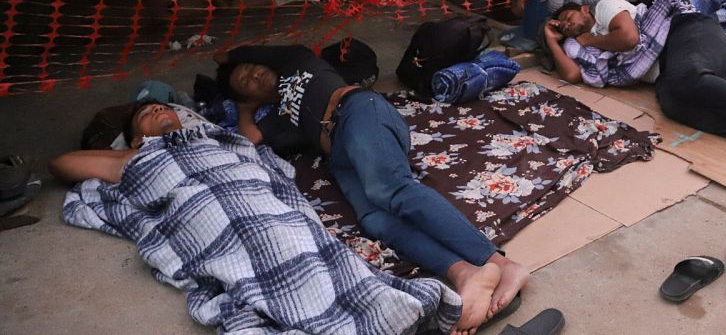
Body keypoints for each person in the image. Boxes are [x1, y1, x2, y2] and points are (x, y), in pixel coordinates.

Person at [50, 102, 463, 335]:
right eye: (145, 114)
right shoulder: (136, 159)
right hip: (207, 213)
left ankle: (380, 311)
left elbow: (252, 147)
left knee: (310, 246)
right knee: (256, 267)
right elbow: (62, 164)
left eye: (163, 106)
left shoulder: (217, 138)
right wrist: (131, 152)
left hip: (260, 201)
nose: (157, 108)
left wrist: (244, 108)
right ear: (138, 136)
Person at [213, 44, 527, 335]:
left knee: (389, 189)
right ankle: (465, 273)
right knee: (375, 220)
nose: (254, 74)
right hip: (338, 153)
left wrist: (232, 62)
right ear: (252, 98)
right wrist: (245, 105)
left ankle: (500, 264)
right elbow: (251, 138)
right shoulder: (280, 117)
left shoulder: (296, 60)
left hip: (359, 111)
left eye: (252, 68)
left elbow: (233, 54)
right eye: (247, 82)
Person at [544, 0, 726, 164]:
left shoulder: (604, 9)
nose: (567, 25)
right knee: (671, 104)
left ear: (584, 9)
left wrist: (589, 39)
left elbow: (629, 38)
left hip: (689, 31)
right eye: (563, 26)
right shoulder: (580, 48)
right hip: (670, 65)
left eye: (569, 18)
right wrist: (551, 39)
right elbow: (571, 75)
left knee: (686, 76)